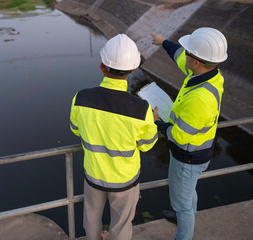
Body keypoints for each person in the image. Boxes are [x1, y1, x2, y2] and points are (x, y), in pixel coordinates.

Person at [70, 34, 158, 240]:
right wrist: (152, 121)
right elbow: (147, 145)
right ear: (132, 70)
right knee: (121, 223)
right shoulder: (141, 109)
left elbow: (75, 129)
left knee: (91, 217)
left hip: (93, 176)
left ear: (102, 67)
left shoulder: (81, 98)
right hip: (124, 181)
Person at [150, 27, 228, 240]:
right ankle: (185, 214)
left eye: (189, 53)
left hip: (188, 157)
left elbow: (181, 136)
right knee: (188, 192)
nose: (184, 54)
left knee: (182, 204)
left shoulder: (200, 98)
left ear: (196, 62)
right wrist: (163, 41)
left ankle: (183, 229)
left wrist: (158, 124)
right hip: (198, 152)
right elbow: (179, 56)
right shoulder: (208, 74)